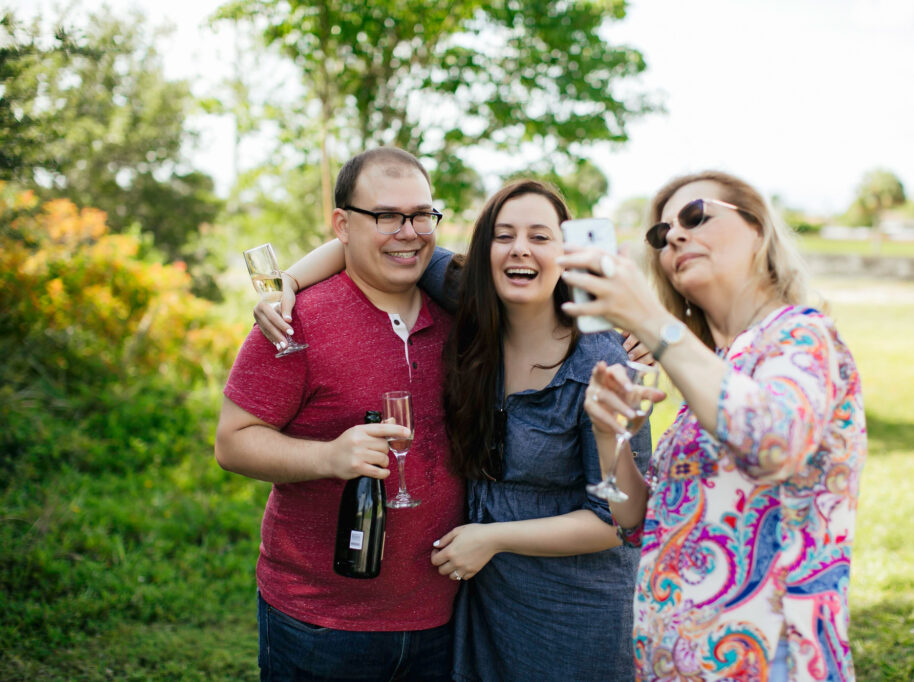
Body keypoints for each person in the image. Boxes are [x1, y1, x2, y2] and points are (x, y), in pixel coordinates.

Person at [256, 179, 652, 681]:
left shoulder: (600, 362)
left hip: (571, 612)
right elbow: (372, 245)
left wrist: (492, 539)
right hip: (480, 604)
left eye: (540, 236)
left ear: (568, 254)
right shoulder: (471, 299)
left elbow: (619, 520)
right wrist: (286, 284)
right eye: (503, 235)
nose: (520, 249)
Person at [558, 170, 867, 681]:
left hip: (770, 662)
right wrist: (607, 434)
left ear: (759, 230)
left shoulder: (803, 337)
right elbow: (637, 519)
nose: (675, 235)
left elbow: (773, 443)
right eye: (661, 234)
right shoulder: (717, 364)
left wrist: (652, 322)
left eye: (696, 216)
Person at [215, 147, 464, 681]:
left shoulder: (459, 313)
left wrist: (637, 338)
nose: (409, 231)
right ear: (342, 225)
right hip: (320, 626)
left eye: (422, 214)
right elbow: (233, 442)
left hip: (444, 617)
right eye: (386, 216)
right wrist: (329, 456)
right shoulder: (293, 319)